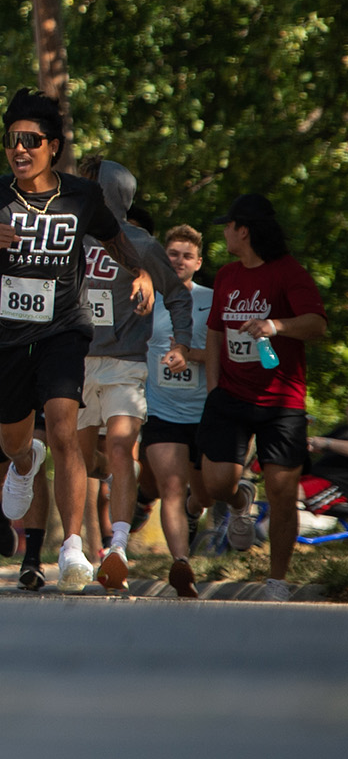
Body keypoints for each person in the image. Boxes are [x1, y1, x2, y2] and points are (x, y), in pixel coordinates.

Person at [0, 89, 174, 592]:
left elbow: (115, 235)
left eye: (31, 140)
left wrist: (141, 272)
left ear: (53, 146)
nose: (19, 150)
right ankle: (27, 462)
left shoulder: (81, 197)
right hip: (3, 339)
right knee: (13, 442)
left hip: (64, 329)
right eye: (11, 140)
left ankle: (71, 548)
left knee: (65, 427)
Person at [199, 192, 328, 597]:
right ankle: (240, 502)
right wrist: (214, 388)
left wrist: (276, 326)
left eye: (228, 226)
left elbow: (316, 325)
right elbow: (216, 332)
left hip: (280, 400)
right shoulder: (226, 275)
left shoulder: (288, 273)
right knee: (216, 484)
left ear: (244, 230)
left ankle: (277, 580)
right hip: (231, 396)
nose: (224, 233)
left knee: (282, 489)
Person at [70, 160, 178, 591]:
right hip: (74, 362)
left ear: (107, 192)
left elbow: (178, 292)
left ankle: (117, 545)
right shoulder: (65, 234)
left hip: (124, 362)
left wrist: (182, 343)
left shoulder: (140, 242)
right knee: (80, 460)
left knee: (120, 446)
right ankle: (73, 547)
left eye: (84, 181)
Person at [142, 224, 212, 597]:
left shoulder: (211, 300)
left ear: (198, 263)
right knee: (170, 486)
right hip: (161, 409)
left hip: (204, 413)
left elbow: (224, 354)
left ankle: (195, 507)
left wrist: (190, 354)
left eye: (187, 256)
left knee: (204, 494)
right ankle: (181, 563)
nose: (179, 261)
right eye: (172, 254)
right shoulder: (146, 298)